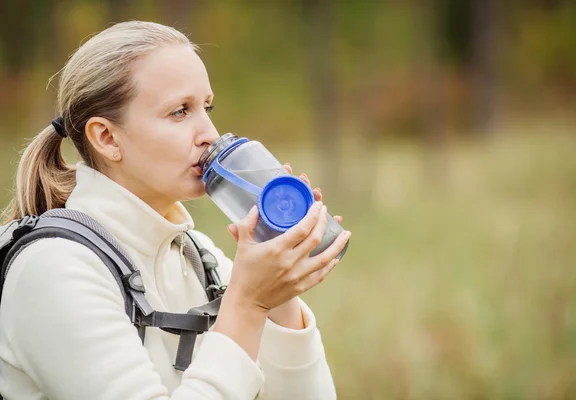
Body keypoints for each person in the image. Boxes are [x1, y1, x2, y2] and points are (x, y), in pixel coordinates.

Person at [0, 20, 350, 399]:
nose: (211, 134)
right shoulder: (54, 269)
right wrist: (248, 304)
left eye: (207, 107)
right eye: (180, 112)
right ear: (106, 138)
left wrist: (280, 294)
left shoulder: (198, 256)